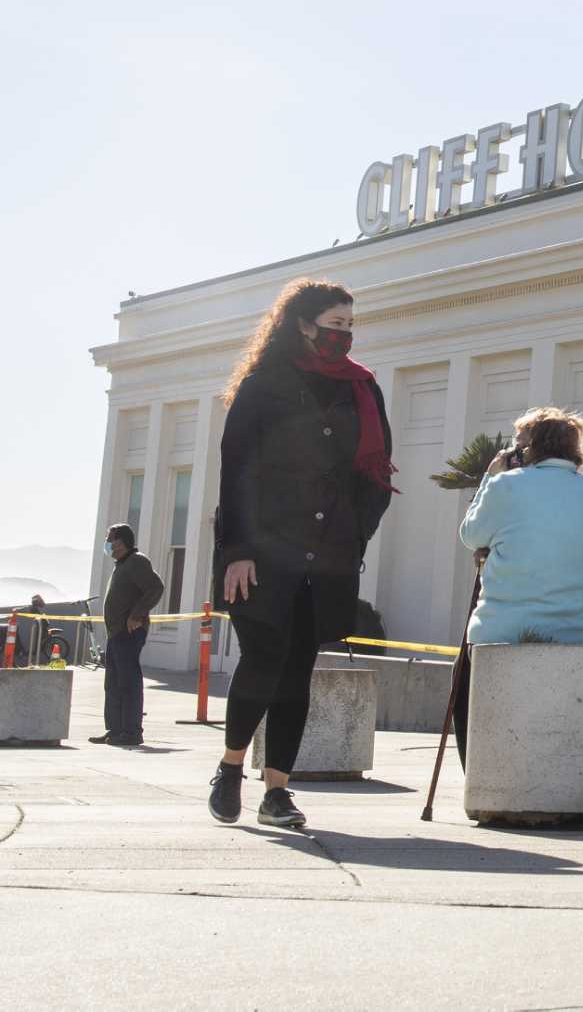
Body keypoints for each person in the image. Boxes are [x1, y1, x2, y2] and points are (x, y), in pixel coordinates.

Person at [208, 280, 395, 829]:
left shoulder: (362, 387)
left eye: (350, 325)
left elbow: (376, 470)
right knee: (265, 659)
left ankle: (277, 793)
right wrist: (237, 550)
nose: (345, 335)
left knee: (297, 671)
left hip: (329, 554)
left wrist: (358, 532)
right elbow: (235, 470)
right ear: (302, 323)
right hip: (264, 552)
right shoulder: (263, 385)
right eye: (335, 324)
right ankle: (231, 766)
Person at [449, 407, 583, 763]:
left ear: (527, 450)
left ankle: (483, 777)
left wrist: (490, 477)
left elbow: (470, 535)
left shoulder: (505, 484)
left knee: (463, 683)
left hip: (507, 631)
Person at [90, 524, 162, 746]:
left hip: (129, 633)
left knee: (128, 682)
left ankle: (131, 732)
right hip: (116, 634)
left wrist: (136, 614)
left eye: (109, 538)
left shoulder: (137, 561)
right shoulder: (121, 564)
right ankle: (115, 729)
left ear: (121, 542)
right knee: (113, 682)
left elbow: (156, 587)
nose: (107, 543)